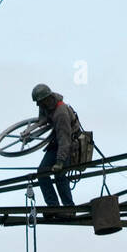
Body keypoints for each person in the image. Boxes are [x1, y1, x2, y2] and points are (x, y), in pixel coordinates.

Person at [31, 84, 81, 215]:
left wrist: (59, 162)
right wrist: (31, 131)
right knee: (42, 172)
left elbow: (64, 140)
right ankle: (53, 207)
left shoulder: (61, 113)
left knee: (60, 174)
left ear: (47, 98)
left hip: (68, 144)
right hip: (55, 140)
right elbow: (42, 119)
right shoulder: (45, 106)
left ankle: (69, 209)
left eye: (39, 102)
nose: (38, 105)